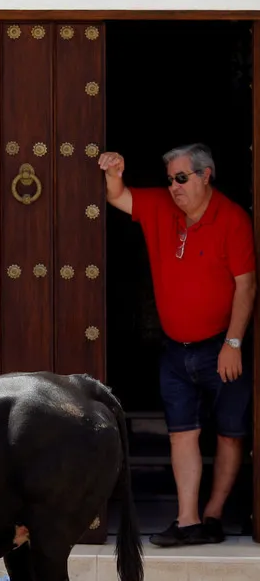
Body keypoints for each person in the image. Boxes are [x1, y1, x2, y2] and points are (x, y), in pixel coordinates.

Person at [99, 143, 255, 547]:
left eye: (181, 178)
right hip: (175, 350)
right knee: (181, 432)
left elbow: (246, 284)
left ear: (206, 175)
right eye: (169, 180)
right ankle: (187, 521)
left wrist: (233, 343)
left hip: (221, 347)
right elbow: (117, 196)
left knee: (230, 433)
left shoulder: (232, 219)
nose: (173, 187)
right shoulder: (160, 207)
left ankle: (214, 514)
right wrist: (114, 171)